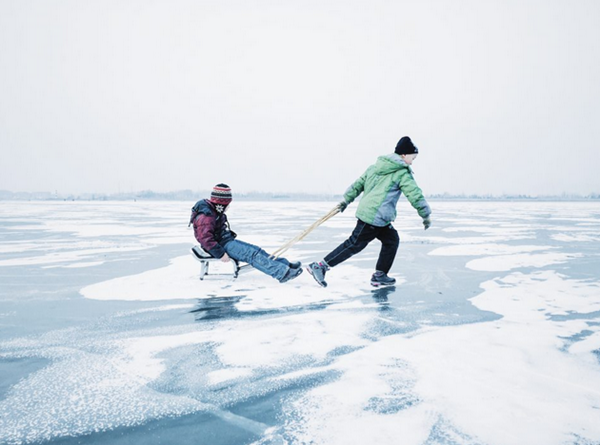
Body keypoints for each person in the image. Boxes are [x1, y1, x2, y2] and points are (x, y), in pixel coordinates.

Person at [307, 136, 431, 288]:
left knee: (391, 240)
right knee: (354, 244)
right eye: (413, 158)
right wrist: (425, 215)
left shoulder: (375, 167)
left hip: (379, 218)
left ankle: (380, 275)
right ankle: (320, 266)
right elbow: (415, 194)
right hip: (373, 217)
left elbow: (357, 185)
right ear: (404, 155)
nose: (412, 162)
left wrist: (346, 199)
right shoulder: (402, 174)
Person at [191, 184, 303, 283]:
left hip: (225, 241)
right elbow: (205, 238)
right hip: (219, 245)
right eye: (227, 204)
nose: (228, 207)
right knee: (251, 254)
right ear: (221, 202)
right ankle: (282, 273)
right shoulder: (206, 215)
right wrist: (220, 254)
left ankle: (285, 265)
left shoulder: (214, 210)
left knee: (257, 250)